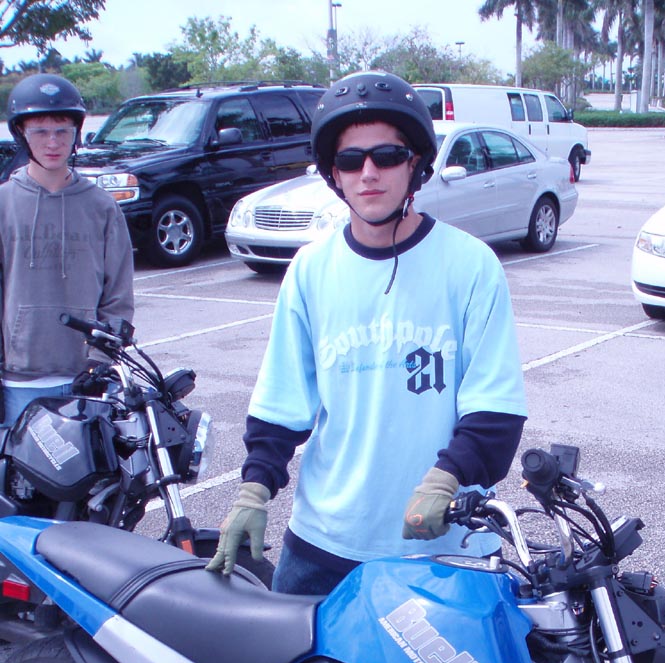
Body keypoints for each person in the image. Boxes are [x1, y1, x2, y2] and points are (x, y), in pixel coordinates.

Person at [207, 70, 527, 592]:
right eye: (352, 160)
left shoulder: (470, 265)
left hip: (443, 546)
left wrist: (448, 478)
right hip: (325, 545)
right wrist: (254, 490)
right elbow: (282, 401)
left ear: (416, 163)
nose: (369, 173)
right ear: (334, 173)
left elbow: (496, 408)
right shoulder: (310, 269)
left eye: (388, 156)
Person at [0, 73, 134, 428]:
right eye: (40, 131)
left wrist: (100, 361)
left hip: (87, 382)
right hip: (18, 384)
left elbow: (118, 297)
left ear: (77, 133)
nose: (53, 142)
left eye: (63, 130)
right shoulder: (4, 204)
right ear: (21, 133)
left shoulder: (102, 207)